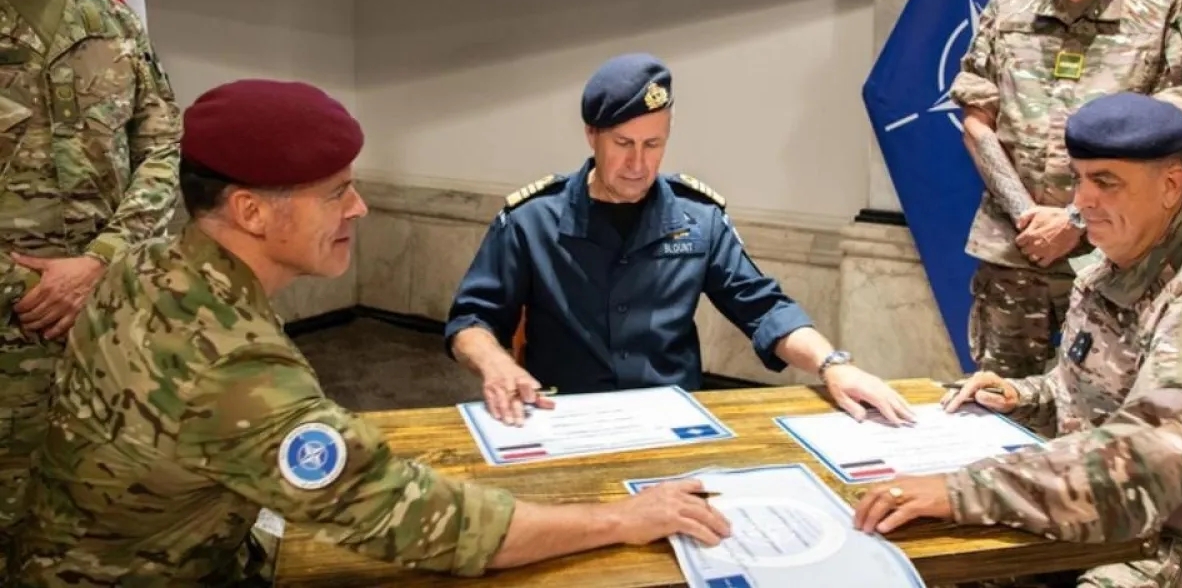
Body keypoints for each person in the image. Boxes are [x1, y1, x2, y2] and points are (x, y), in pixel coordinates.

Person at [16, 79, 733, 587]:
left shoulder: (152, 266)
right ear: (251, 212)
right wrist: (620, 519)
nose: (359, 208)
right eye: (336, 192)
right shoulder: (230, 366)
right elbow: (420, 522)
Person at [851, 93, 1182, 588]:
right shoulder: (1104, 271)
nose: (1081, 201)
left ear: (1170, 185)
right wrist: (1020, 397)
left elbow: (1151, 459)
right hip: (1099, 525)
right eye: (1079, 178)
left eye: (1106, 182)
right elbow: (1080, 397)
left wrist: (961, 490)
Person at [445, 52, 914, 427]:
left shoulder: (697, 218)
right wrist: (495, 363)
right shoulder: (532, 220)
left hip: (669, 422)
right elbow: (471, 318)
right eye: (623, 144)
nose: (638, 164)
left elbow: (764, 308)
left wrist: (833, 364)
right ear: (592, 135)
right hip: (567, 419)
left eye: (653, 144)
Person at [951, 0, 1182, 380]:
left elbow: (1171, 136)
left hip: (1115, 257)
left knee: (1105, 405)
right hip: (1016, 256)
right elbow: (976, 123)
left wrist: (1073, 221)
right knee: (1000, 400)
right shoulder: (1010, 6)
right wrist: (1030, 217)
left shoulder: (1162, 9)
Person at [0, 0, 182, 570]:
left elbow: (161, 147)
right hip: (13, 332)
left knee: (111, 514)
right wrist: (30, 287)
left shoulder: (111, 22)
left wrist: (102, 261)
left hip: (110, 319)